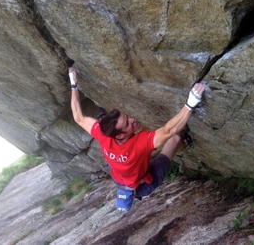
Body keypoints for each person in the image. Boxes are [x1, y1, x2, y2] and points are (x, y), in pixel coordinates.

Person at [68, 67, 206, 211]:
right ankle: (186, 143)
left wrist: (73, 84)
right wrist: (191, 103)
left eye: (127, 117)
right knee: (175, 139)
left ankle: (104, 118)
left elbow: (78, 117)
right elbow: (169, 130)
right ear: (120, 136)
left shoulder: (103, 134)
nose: (133, 120)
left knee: (124, 156)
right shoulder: (139, 143)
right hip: (145, 182)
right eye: (128, 123)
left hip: (122, 179)